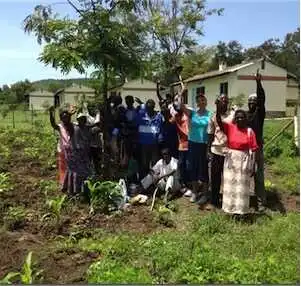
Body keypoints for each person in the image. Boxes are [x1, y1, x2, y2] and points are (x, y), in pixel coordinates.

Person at [216, 108, 258, 216]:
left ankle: (240, 211)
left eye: (242, 117)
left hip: (244, 161)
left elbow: (253, 150)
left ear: (246, 119)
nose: (240, 119)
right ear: (235, 119)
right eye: (237, 117)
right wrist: (218, 107)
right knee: (230, 185)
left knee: (241, 186)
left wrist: (253, 165)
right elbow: (219, 122)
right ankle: (229, 209)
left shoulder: (250, 131)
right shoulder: (230, 128)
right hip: (231, 160)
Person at [181, 93, 211, 203]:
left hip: (204, 145)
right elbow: (181, 106)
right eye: (199, 100)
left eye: (203, 100)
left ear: (206, 102)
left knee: (203, 169)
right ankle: (194, 192)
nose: (201, 102)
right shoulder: (192, 113)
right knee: (193, 168)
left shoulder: (210, 114)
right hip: (193, 143)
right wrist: (182, 94)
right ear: (197, 103)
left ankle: (205, 194)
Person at [207, 94, 234, 208]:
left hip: (229, 152)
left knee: (229, 177)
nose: (224, 103)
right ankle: (214, 201)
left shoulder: (232, 116)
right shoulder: (213, 117)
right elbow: (210, 134)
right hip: (216, 151)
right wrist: (208, 150)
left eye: (226, 101)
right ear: (217, 103)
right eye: (222, 100)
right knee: (215, 177)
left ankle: (229, 201)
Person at [247, 71, 267, 211]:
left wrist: (258, 83)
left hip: (258, 148)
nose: (252, 103)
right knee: (247, 174)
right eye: (250, 102)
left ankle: (261, 202)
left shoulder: (259, 114)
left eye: (254, 102)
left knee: (259, 175)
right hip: (246, 150)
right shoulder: (244, 116)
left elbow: (261, 98)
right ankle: (247, 199)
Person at [136, 99, 164, 179]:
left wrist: (160, 137)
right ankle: (145, 183)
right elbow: (134, 125)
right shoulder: (141, 116)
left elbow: (161, 129)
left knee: (155, 164)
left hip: (154, 144)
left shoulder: (158, 116)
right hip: (143, 144)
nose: (150, 109)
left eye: (151, 108)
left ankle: (154, 182)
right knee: (145, 164)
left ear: (154, 107)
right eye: (148, 108)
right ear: (146, 108)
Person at [170, 92, 190, 194]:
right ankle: (183, 184)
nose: (177, 106)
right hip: (182, 145)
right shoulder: (176, 116)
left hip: (191, 143)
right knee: (181, 164)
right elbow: (168, 121)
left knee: (189, 165)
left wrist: (181, 94)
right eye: (175, 105)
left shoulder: (187, 114)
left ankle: (190, 184)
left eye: (178, 105)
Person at [49, 106, 74, 187]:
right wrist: (51, 114)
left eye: (67, 117)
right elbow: (53, 124)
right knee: (63, 168)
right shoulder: (60, 127)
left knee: (71, 168)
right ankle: (63, 183)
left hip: (72, 151)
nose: (65, 118)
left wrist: (71, 112)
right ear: (61, 118)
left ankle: (71, 182)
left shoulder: (73, 126)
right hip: (62, 151)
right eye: (63, 117)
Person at [121, 95, 138, 166]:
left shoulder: (136, 111)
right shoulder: (124, 111)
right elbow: (122, 123)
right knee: (126, 154)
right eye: (126, 101)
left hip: (134, 136)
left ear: (132, 102)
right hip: (126, 136)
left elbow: (136, 123)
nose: (128, 103)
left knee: (134, 155)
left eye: (129, 101)